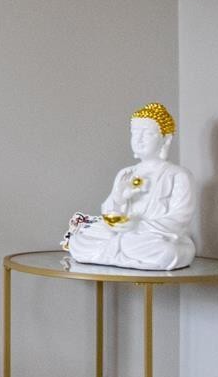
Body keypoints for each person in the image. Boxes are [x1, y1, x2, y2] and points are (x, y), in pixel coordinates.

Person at [66, 103, 197, 271]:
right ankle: (120, 249)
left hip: (153, 238)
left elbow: (180, 220)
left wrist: (137, 226)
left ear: (166, 138)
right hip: (125, 235)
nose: (139, 139)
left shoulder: (178, 175)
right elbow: (108, 214)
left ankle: (117, 250)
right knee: (79, 238)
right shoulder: (126, 173)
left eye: (147, 133)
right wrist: (119, 199)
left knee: (168, 252)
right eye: (135, 133)